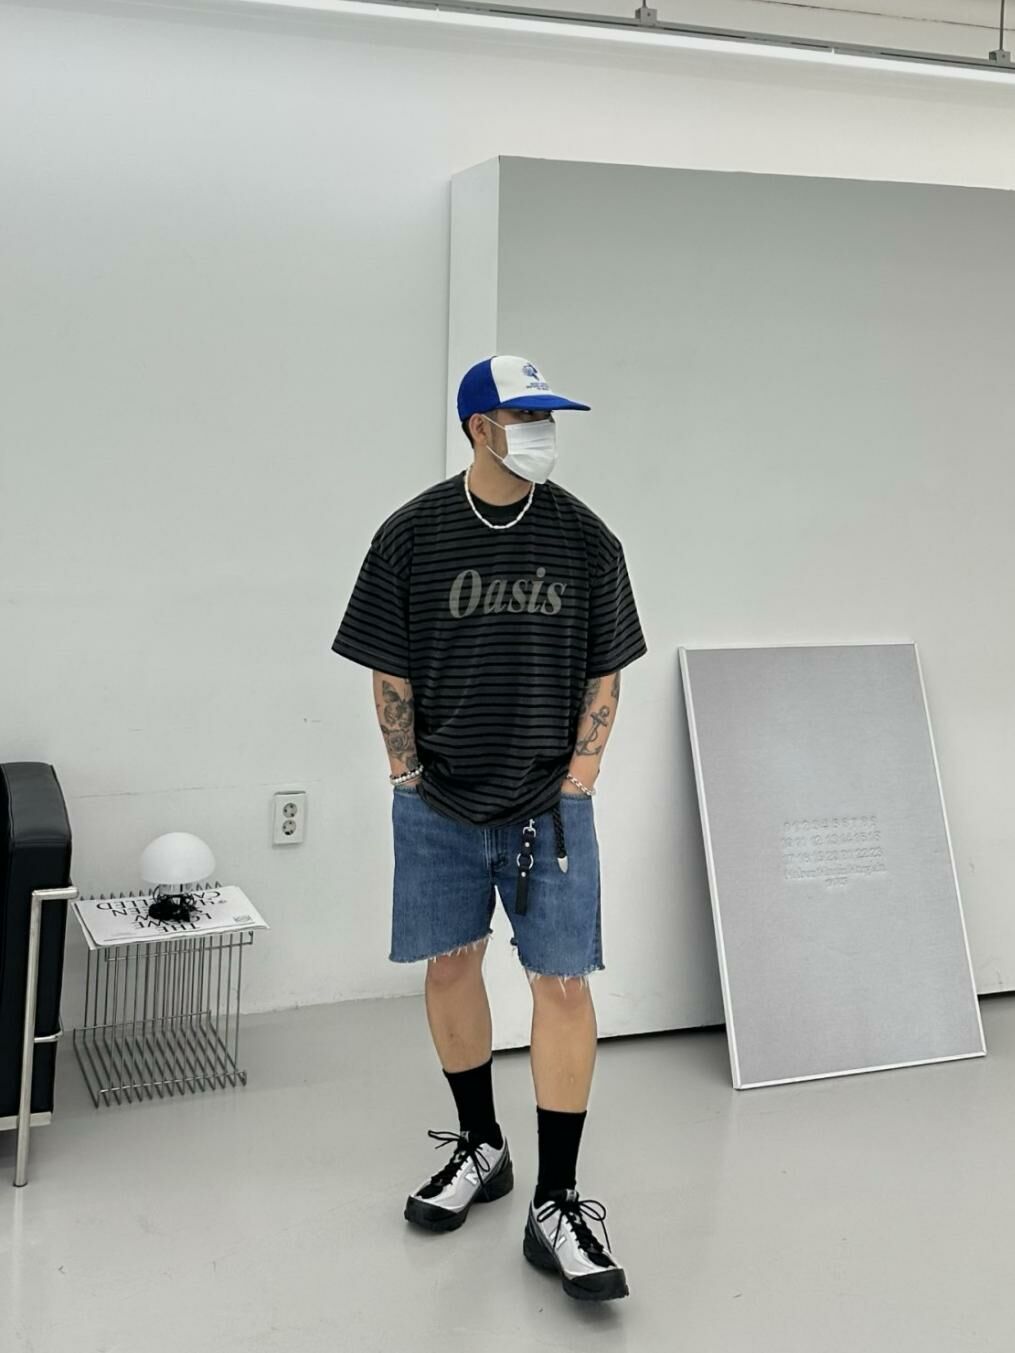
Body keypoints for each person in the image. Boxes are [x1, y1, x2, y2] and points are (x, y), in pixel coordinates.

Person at [331, 354, 648, 1303]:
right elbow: (388, 665)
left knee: (563, 984)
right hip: (438, 802)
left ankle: (558, 1200)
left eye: (549, 417)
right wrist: (404, 771)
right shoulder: (411, 534)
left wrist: (582, 775)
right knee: (450, 965)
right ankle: (481, 1145)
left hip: (551, 805)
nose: (543, 432)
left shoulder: (585, 537)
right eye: (526, 416)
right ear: (479, 427)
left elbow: (606, 665)